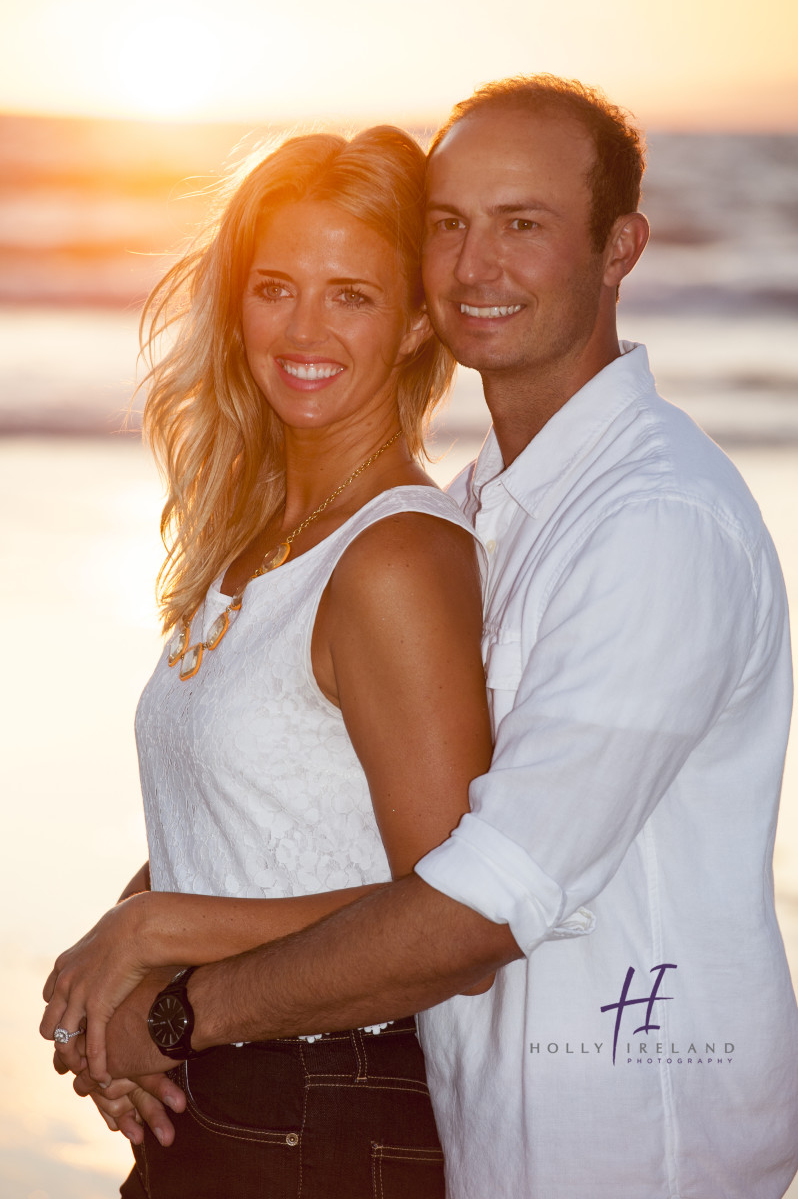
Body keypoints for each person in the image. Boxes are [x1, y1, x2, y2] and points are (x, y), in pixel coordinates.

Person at [49, 75, 798, 1198]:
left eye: (523, 225)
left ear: (620, 247)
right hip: (470, 1130)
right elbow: (312, 808)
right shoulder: (492, 503)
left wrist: (173, 1001)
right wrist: (122, 970)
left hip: (633, 1150)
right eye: (449, 224)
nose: (475, 265)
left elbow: (477, 902)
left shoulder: (653, 525)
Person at [40, 125, 494, 1198]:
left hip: (328, 1106)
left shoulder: (396, 556)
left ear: (417, 318)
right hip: (232, 1092)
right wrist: (119, 988)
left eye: (352, 294)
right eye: (275, 288)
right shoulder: (255, 544)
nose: (304, 330)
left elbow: (452, 912)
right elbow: (261, 824)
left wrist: (157, 933)